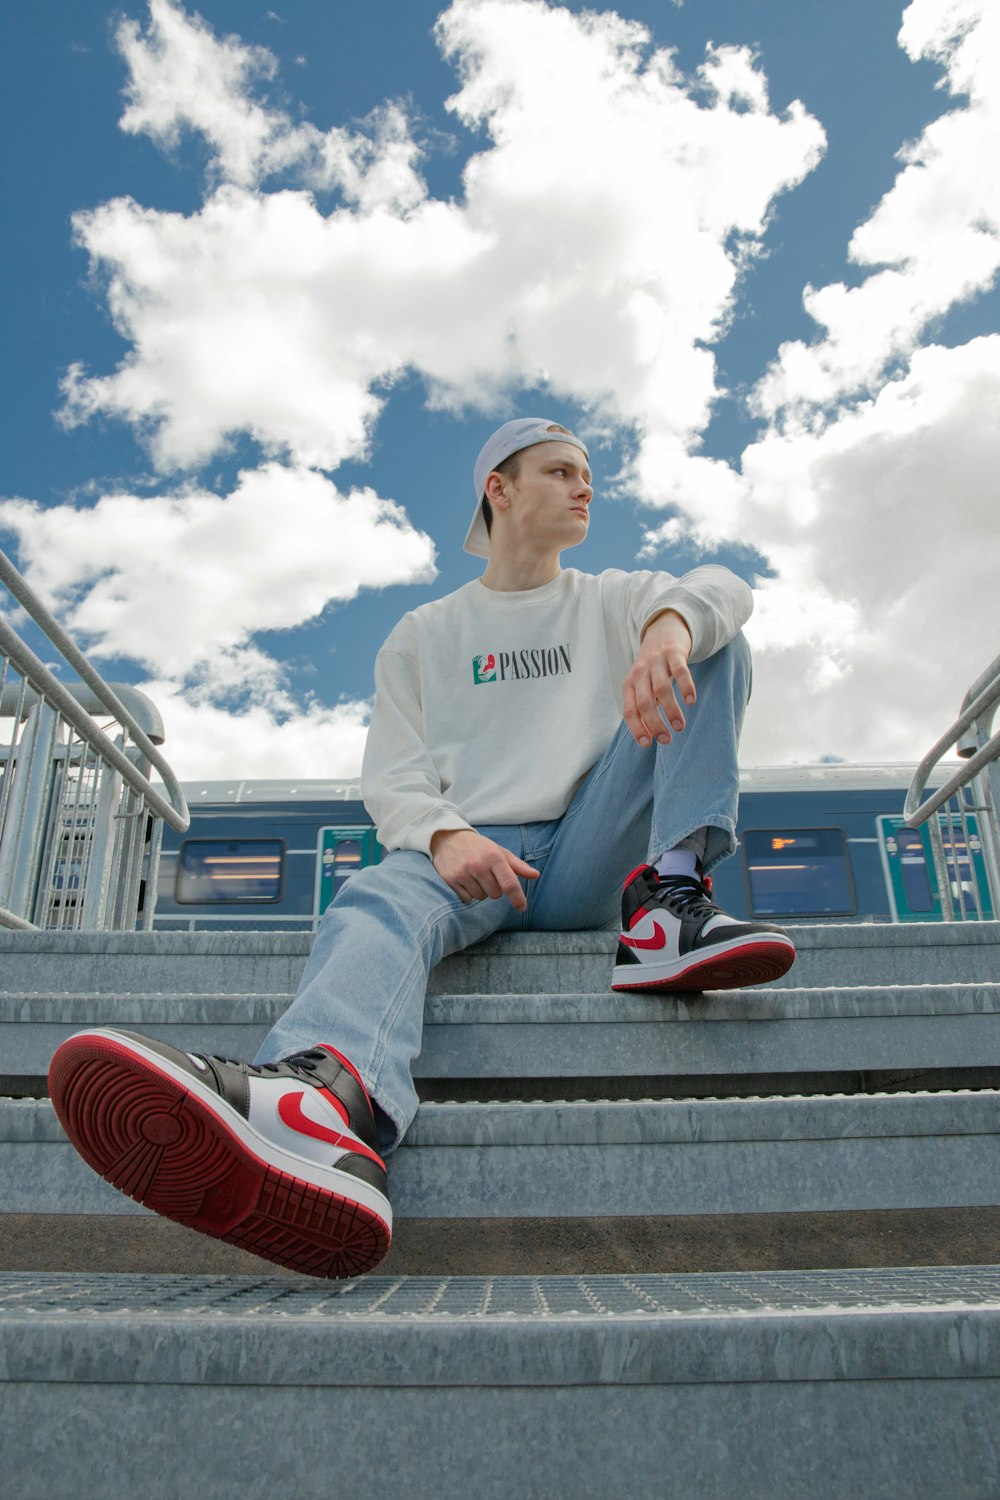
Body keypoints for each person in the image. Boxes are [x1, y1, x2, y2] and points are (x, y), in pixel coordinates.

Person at [49, 417, 795, 1280]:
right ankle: (326, 1108)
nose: (585, 487)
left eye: (589, 474)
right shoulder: (424, 633)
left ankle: (667, 900)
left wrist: (667, 629)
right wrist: (446, 836)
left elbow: (725, 585)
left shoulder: (611, 599)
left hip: (593, 844)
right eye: (560, 471)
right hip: (471, 861)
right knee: (375, 897)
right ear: (499, 490)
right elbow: (394, 777)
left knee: (714, 640)